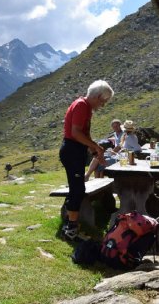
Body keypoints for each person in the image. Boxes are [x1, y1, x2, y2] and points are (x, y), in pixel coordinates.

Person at [59, 79, 114, 240]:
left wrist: (95, 148)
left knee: (77, 188)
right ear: (97, 96)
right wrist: (94, 147)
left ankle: (70, 225)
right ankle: (71, 230)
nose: (103, 105)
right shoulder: (82, 106)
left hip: (76, 150)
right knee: (77, 189)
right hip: (72, 150)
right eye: (103, 101)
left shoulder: (86, 107)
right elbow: (75, 133)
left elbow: (84, 134)